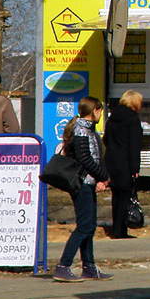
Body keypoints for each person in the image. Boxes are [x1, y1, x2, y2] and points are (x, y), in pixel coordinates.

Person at [53, 96, 113, 283]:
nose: (101, 114)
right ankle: (63, 266)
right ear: (94, 110)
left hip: (89, 183)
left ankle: (89, 267)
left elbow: (95, 157)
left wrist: (101, 177)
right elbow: (85, 159)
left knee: (90, 226)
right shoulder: (81, 131)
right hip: (81, 184)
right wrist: (103, 176)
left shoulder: (88, 129)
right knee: (85, 226)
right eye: (100, 110)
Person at [105, 91, 143, 239]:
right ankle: (121, 231)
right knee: (126, 195)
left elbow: (106, 140)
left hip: (112, 161)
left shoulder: (112, 118)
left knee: (116, 196)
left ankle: (116, 228)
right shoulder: (133, 120)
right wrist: (135, 169)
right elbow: (134, 147)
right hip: (125, 163)